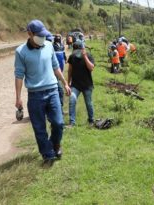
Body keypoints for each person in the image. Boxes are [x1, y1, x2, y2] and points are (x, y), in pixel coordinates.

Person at [14, 19, 71, 167]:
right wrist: (18, 98)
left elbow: (55, 67)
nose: (42, 38)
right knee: (39, 129)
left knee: (58, 123)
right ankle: (48, 155)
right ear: (30, 34)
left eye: (44, 35)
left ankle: (55, 145)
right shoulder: (21, 52)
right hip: (35, 95)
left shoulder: (49, 46)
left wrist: (65, 83)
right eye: (39, 35)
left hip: (52, 91)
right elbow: (19, 75)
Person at [67, 40, 95, 126]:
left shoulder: (89, 55)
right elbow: (70, 70)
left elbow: (91, 68)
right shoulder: (72, 57)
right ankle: (72, 122)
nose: (77, 52)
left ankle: (91, 120)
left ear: (82, 49)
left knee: (88, 103)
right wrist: (68, 83)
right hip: (75, 85)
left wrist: (85, 56)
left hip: (87, 85)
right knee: (72, 100)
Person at [53, 34, 67, 112]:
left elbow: (64, 53)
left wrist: (65, 58)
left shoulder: (62, 46)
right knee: (60, 90)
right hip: (55, 70)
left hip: (60, 68)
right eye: (57, 37)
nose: (58, 38)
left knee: (60, 89)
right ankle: (59, 109)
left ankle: (59, 108)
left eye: (59, 37)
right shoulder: (53, 46)